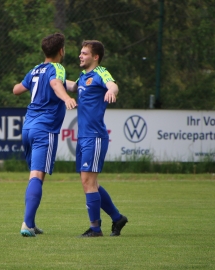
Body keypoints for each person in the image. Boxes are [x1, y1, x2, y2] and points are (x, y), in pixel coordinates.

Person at [13, 33, 77, 237]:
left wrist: (79, 85)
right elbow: (56, 84)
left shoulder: (35, 70)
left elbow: (17, 90)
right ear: (61, 51)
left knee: (34, 175)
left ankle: (30, 223)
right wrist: (66, 97)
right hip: (44, 129)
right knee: (36, 176)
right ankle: (27, 224)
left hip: (27, 128)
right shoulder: (57, 68)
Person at [67, 40, 128, 237]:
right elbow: (74, 87)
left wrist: (111, 91)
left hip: (94, 136)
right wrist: (53, 78)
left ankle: (95, 229)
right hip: (83, 137)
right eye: (80, 53)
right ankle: (117, 218)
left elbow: (113, 85)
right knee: (90, 183)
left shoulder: (101, 72)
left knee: (88, 182)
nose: (80, 56)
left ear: (95, 57)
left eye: (84, 53)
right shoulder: (84, 76)